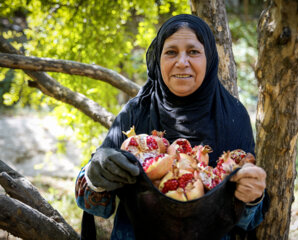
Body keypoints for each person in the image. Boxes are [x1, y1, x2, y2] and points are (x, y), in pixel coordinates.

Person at [75, 14, 268, 240]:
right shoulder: (136, 112)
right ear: (159, 59)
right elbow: (95, 206)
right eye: (171, 52)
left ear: (210, 59)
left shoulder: (233, 116)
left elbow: (249, 221)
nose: (182, 62)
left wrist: (252, 197)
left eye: (193, 52)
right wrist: (94, 176)